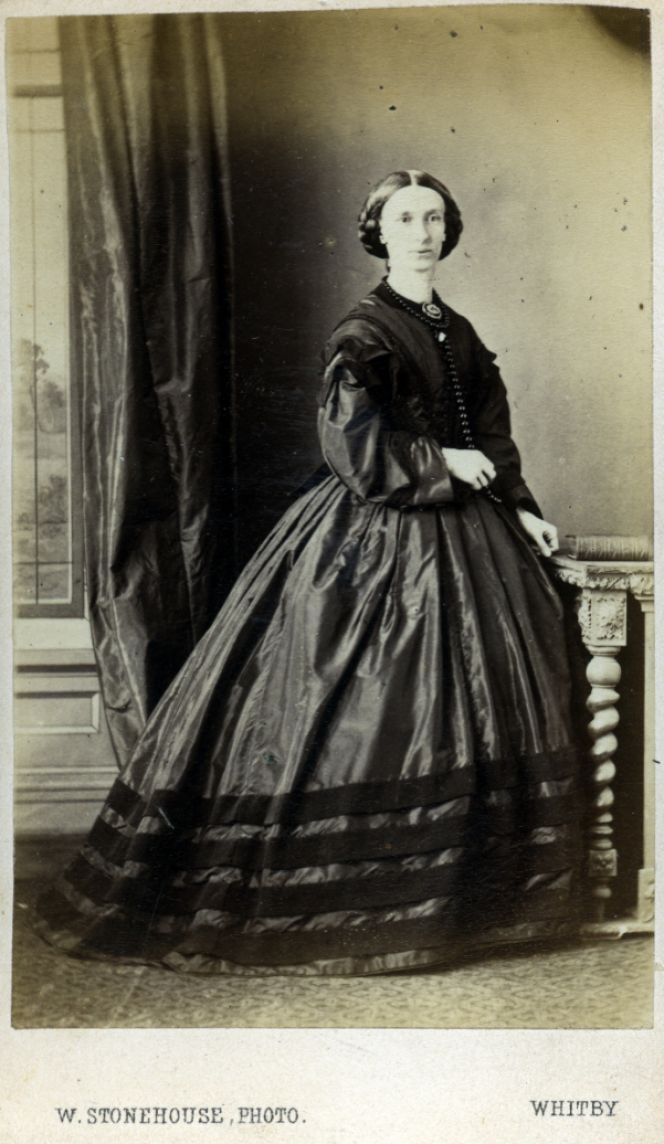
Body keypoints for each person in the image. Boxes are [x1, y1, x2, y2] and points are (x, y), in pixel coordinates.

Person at [35, 169, 581, 976]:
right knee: (365, 699)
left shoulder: (455, 327)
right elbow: (352, 448)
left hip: (471, 530)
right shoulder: (363, 330)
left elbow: (489, 433)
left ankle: (470, 899)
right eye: (406, 219)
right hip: (379, 528)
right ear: (380, 232)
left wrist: (521, 503)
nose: (424, 232)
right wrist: (442, 461)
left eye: (435, 218)